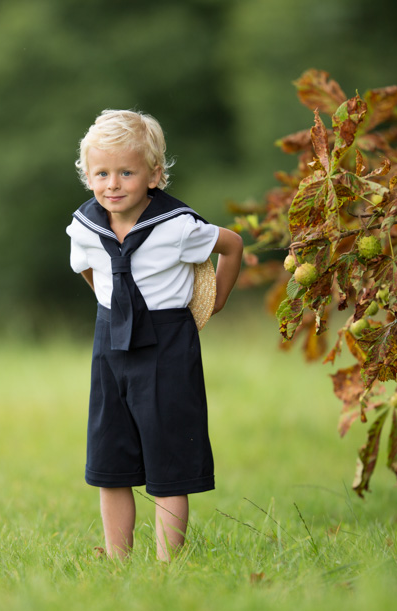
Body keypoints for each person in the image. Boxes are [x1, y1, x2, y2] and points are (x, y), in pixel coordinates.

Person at [66, 109, 243, 562]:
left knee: (170, 459)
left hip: (167, 345)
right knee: (110, 461)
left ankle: (167, 565)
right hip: (110, 345)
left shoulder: (176, 226)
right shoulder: (85, 227)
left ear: (154, 174)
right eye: (101, 173)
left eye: (127, 172)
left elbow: (233, 244)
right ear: (88, 176)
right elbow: (90, 271)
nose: (113, 184)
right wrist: (112, 306)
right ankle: (118, 559)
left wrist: (216, 300)